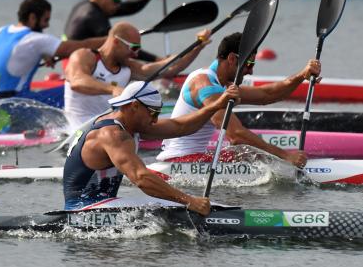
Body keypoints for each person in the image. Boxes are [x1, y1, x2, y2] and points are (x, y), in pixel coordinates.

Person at [63, 80, 240, 215]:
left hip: (104, 205)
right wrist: (190, 201)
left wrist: (216, 105)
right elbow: (141, 178)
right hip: (83, 209)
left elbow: (181, 127)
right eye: (153, 113)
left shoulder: (130, 125)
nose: (155, 120)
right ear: (134, 106)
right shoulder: (112, 135)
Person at [156, 32, 322, 168]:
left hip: (192, 159)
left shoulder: (220, 83)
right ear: (232, 59)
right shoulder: (205, 85)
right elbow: (236, 135)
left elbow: (267, 95)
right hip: (179, 163)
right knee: (246, 151)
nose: (250, 71)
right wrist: (286, 155)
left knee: (248, 151)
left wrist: (302, 76)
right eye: (249, 64)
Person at [64, 21, 211, 130]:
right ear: (116, 41)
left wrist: (197, 46)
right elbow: (77, 81)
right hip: (78, 128)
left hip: (108, 127)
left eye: (138, 49)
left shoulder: (128, 67)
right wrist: (112, 89)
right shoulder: (85, 55)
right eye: (133, 47)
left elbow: (169, 67)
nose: (136, 53)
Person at [0, 0, 105, 108]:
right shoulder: (35, 40)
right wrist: (110, 39)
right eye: (45, 20)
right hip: (15, 106)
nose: (47, 25)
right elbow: (81, 45)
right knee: (76, 88)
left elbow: (10, 57)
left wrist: (43, 53)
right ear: (32, 18)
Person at [62, 0, 168, 68]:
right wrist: (158, 60)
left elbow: (128, 8)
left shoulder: (85, 5)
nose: (118, 5)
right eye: (116, 0)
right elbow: (119, 44)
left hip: (71, 60)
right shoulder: (93, 16)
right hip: (78, 65)